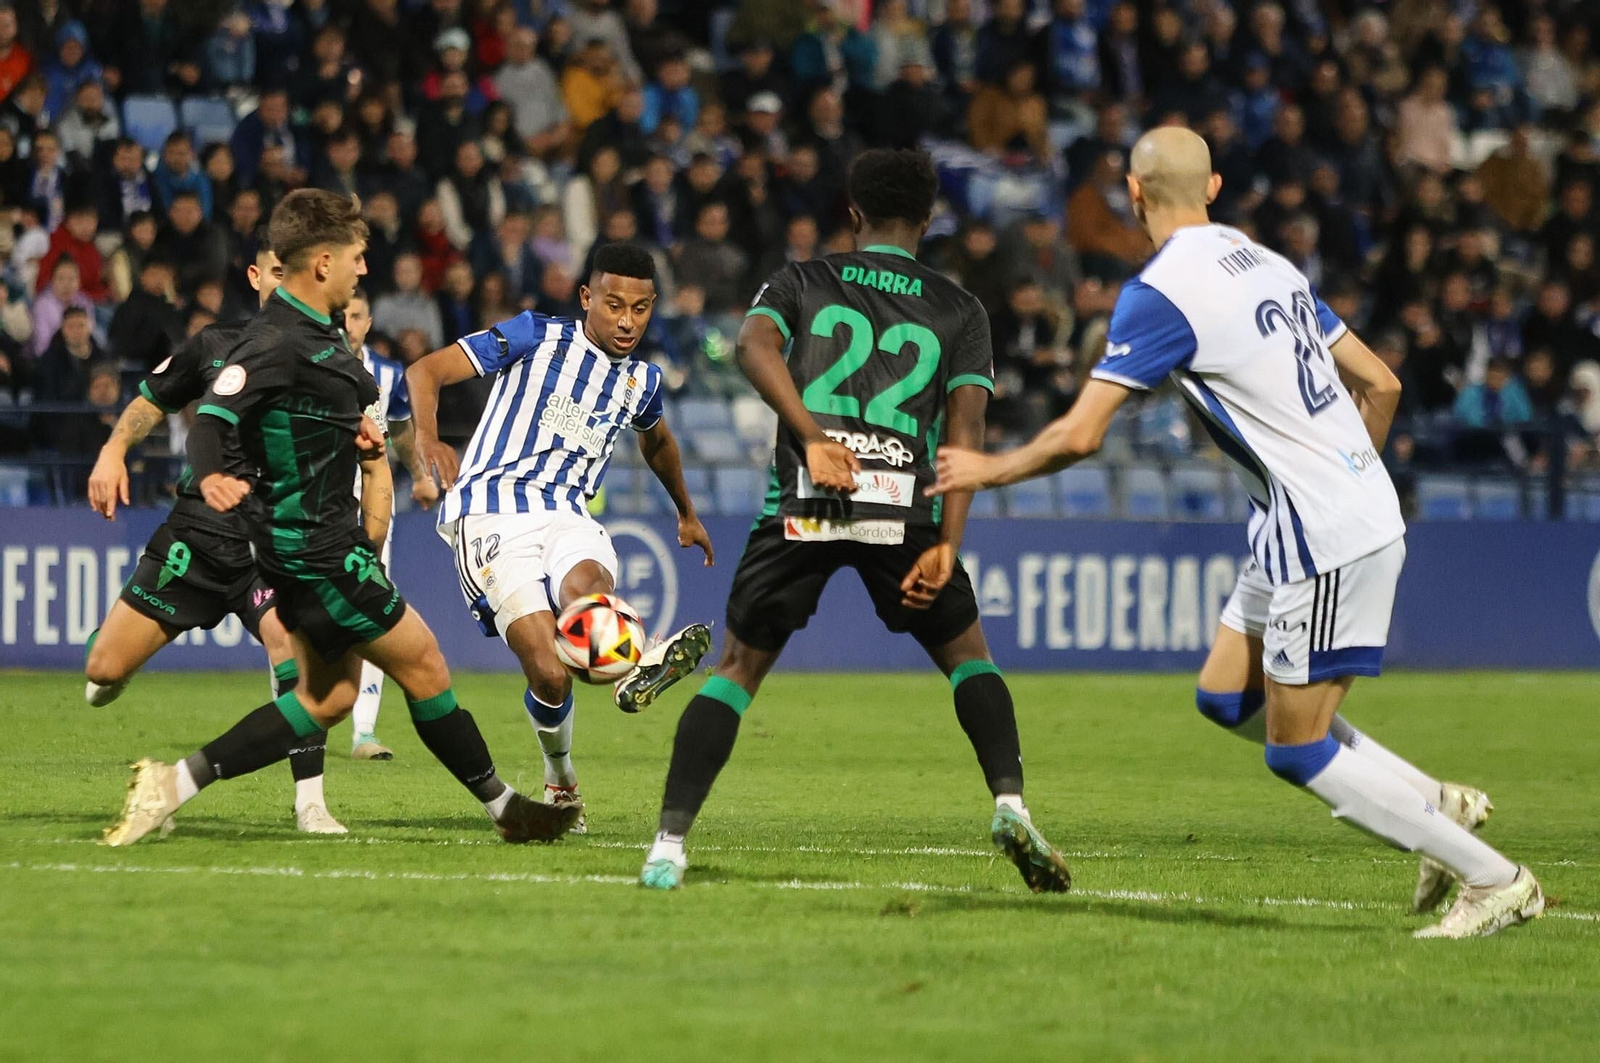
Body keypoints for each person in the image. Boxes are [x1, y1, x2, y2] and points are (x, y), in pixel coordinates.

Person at [929, 127, 1542, 939]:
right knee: (1225, 693)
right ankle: (1433, 803)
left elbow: (1080, 436)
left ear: (1134, 193)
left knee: (1296, 748)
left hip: (1317, 529)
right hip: (1312, 514)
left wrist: (983, 469)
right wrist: (1348, 476)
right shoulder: (1270, 265)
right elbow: (1382, 382)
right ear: (1213, 186)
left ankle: (1494, 878)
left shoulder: (1160, 292)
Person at [636, 149, 1074, 894]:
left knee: (737, 672)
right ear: (929, 222)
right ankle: (1010, 802)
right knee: (970, 657)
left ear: (853, 211)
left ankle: (668, 846)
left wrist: (811, 434)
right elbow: (967, 434)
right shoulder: (961, 309)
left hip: (807, 499)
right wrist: (948, 542)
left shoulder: (802, 279)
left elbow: (751, 345)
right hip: (904, 506)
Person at [100, 190, 579, 849]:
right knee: (427, 666)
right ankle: (504, 806)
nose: (363, 267)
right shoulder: (276, 339)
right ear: (322, 263)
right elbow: (215, 414)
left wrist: (354, 439)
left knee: (326, 701)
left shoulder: (320, 337)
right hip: (318, 550)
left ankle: (171, 784)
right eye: (356, 256)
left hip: (307, 549)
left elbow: (296, 417)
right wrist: (211, 471)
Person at [405, 242, 715, 832]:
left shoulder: (640, 382)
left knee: (588, 589)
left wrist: (686, 511)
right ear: (586, 298)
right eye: (614, 304)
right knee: (548, 672)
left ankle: (633, 666)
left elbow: (658, 442)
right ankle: (562, 776)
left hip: (568, 513)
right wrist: (428, 439)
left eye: (642, 308)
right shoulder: (533, 335)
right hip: (491, 512)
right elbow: (427, 371)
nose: (627, 321)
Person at [84, 236, 347, 835]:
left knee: (295, 653)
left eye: (296, 273)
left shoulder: (324, 358)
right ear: (255, 277)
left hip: (269, 540)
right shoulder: (216, 346)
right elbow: (151, 400)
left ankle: (311, 802)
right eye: (274, 273)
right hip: (198, 533)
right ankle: (114, 648)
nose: (284, 284)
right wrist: (113, 450)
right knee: (103, 669)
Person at [341, 287, 440, 760]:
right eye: (341, 314)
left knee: (372, 605)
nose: (347, 323)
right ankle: (291, 718)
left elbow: (400, 427)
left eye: (356, 316)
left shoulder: (386, 374)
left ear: (367, 322)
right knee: (292, 612)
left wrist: (420, 475)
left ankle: (364, 731)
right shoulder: (301, 365)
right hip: (312, 507)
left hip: (371, 508)